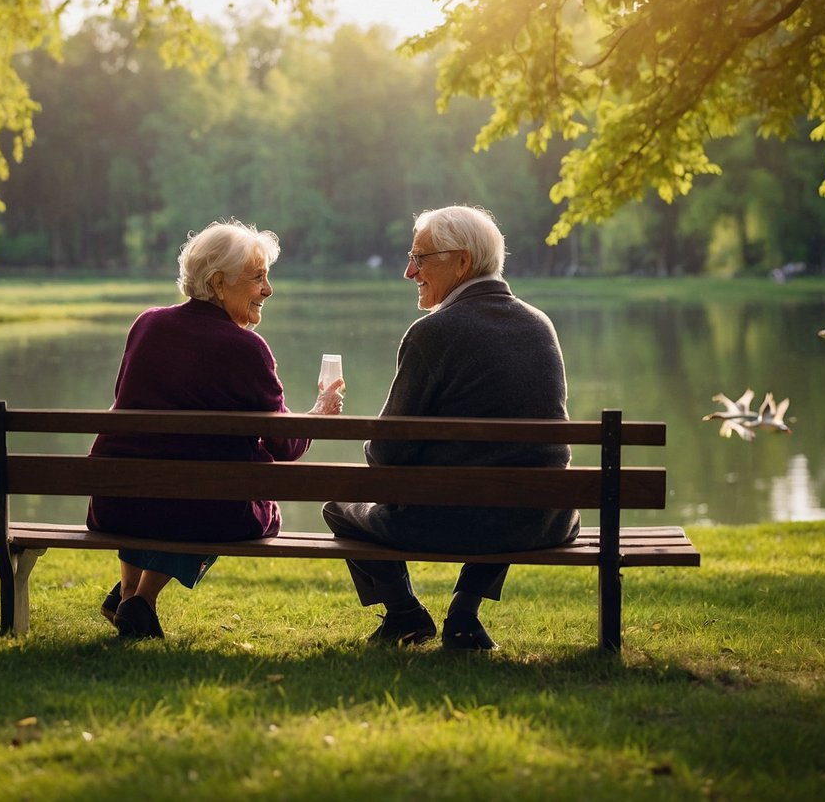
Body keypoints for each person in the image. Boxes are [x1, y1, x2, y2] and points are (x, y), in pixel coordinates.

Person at [322, 205, 578, 651]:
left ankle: (403, 613)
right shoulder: (542, 325)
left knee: (340, 506)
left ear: (461, 262)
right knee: (508, 491)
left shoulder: (433, 332)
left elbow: (388, 453)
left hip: (448, 520)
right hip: (540, 520)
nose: (408, 271)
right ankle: (463, 612)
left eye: (420, 259)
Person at [89, 219, 344, 638]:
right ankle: (142, 599)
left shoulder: (146, 325)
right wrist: (318, 412)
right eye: (258, 278)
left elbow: (129, 417)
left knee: (160, 476)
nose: (268, 289)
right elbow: (286, 445)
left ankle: (130, 592)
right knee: (223, 495)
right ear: (220, 283)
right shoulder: (247, 348)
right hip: (206, 511)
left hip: (117, 503)